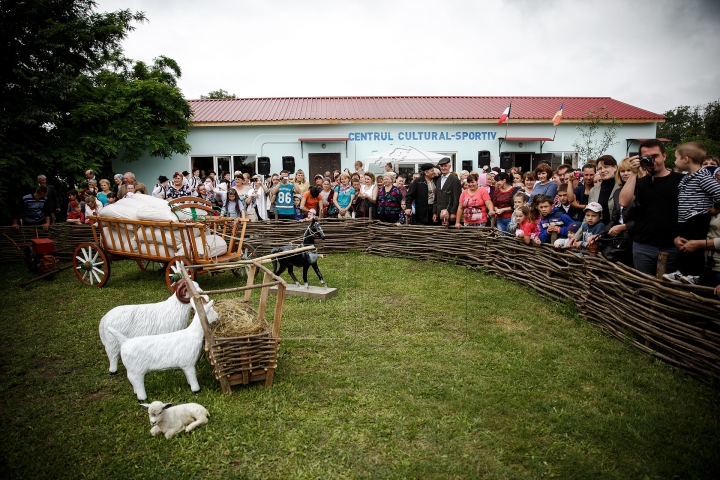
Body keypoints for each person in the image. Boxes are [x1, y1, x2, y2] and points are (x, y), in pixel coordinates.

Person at [619, 139, 683, 276]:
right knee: (644, 286)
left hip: (672, 245)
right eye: (647, 158)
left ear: (664, 156)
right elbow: (623, 201)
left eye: (655, 156)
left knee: (670, 289)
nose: (652, 161)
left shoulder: (680, 180)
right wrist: (634, 173)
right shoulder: (640, 182)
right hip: (643, 245)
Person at [664, 142, 720, 284]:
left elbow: (718, 193)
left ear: (686, 159)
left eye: (676, 158)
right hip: (685, 220)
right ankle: (681, 271)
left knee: (694, 249)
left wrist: (716, 208)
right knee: (684, 247)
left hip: (698, 217)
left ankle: (695, 274)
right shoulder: (687, 177)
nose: (675, 161)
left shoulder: (703, 177)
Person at [588, 155, 619, 226]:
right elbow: (588, 214)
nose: (603, 170)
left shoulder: (621, 187)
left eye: (606, 167)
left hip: (617, 231)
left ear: (615, 168)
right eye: (600, 168)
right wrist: (577, 236)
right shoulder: (593, 190)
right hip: (598, 231)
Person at [434, 157, 461, 226]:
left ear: (450, 166)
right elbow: (436, 198)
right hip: (439, 213)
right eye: (442, 166)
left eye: (445, 166)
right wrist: (435, 212)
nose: (443, 168)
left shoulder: (455, 180)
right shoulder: (438, 180)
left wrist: (453, 212)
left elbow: (456, 197)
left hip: (449, 212)